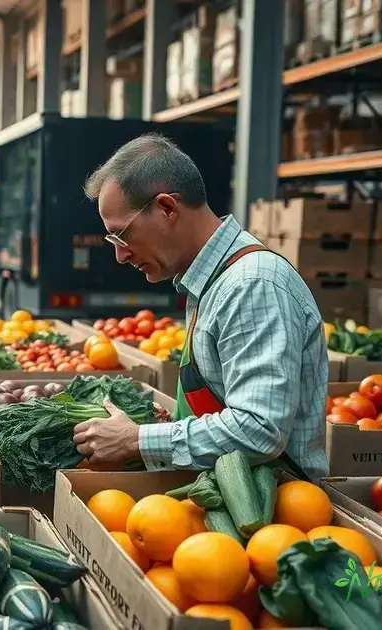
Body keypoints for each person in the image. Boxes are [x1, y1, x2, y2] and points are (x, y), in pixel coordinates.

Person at [72, 133, 329, 481]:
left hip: (272, 516)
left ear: (166, 208)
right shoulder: (211, 280)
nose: (120, 255)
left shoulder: (251, 285)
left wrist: (138, 439)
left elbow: (260, 429)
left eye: (122, 235)